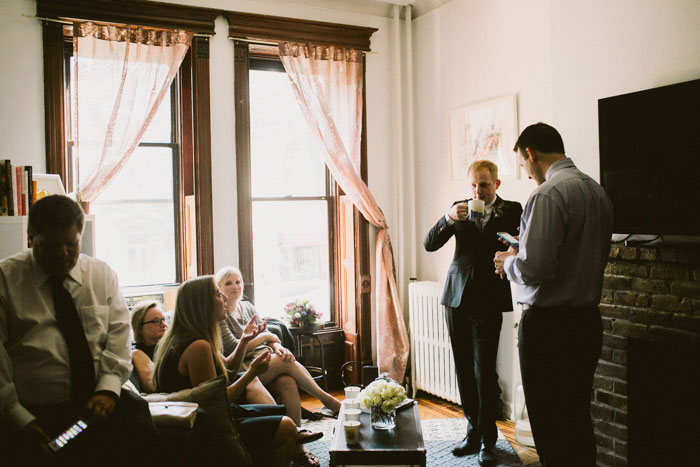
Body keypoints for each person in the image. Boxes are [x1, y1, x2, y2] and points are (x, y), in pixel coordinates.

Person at [0, 195, 159, 466]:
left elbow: (119, 336)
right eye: (50, 245)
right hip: (38, 413)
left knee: (141, 437)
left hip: (103, 402)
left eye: (71, 244)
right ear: (31, 238)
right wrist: (17, 416)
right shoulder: (6, 280)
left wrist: (108, 389)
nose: (63, 254)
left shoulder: (100, 275)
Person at [494, 123, 613, 467]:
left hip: (549, 328)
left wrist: (509, 261)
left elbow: (535, 268)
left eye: (522, 164)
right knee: (577, 418)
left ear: (531, 154)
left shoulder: (547, 194)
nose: (527, 173)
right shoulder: (597, 191)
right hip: (587, 322)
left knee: (549, 424)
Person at [424, 160, 522, 466]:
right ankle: (472, 432)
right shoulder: (459, 209)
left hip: (489, 300)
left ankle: (488, 439)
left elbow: (525, 245)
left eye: (484, 184)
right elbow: (429, 244)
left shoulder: (513, 210)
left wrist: (513, 253)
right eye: (473, 185)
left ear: (497, 185)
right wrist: (448, 217)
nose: (477, 190)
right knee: (464, 368)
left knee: (484, 372)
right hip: (456, 298)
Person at [151, 275, 302, 467]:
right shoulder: (198, 347)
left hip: (203, 418)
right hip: (203, 430)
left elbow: (227, 371)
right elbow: (217, 402)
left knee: (276, 412)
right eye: (217, 293)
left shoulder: (192, 337)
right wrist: (251, 374)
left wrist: (244, 340)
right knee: (286, 428)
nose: (223, 297)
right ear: (202, 304)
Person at [216, 267, 341, 466]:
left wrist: (276, 345)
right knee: (285, 361)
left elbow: (265, 336)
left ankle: (299, 447)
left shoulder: (247, 306)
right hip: (244, 367)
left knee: (287, 382)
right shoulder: (219, 313)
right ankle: (328, 401)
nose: (235, 287)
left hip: (263, 357)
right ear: (219, 287)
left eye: (238, 282)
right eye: (229, 283)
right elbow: (233, 346)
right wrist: (267, 337)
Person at [130, 300, 169, 393]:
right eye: (156, 321)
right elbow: (154, 388)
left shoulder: (172, 348)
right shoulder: (135, 354)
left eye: (163, 319)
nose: (164, 325)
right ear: (140, 328)